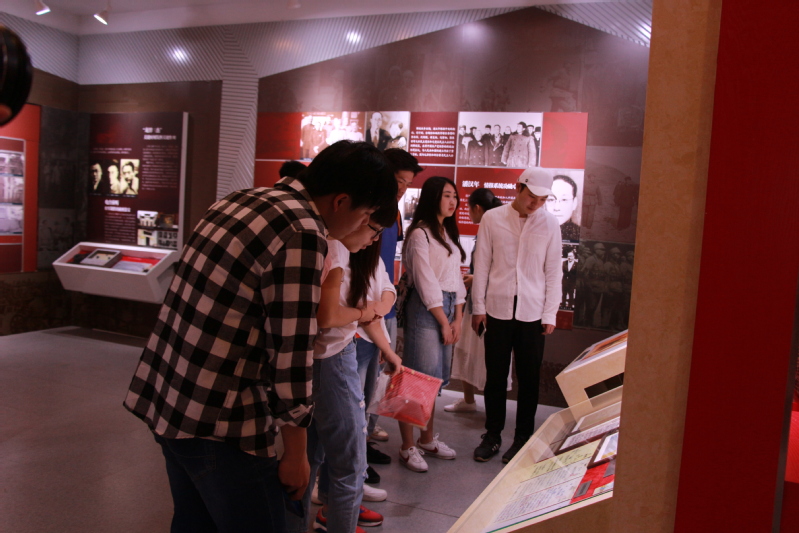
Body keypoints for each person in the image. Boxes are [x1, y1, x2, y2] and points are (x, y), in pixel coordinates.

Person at [123, 140, 398, 533]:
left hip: (170, 397)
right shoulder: (303, 231)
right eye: (367, 216)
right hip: (225, 420)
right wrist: (296, 454)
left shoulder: (242, 199)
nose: (363, 227)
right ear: (341, 201)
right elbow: (292, 351)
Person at [290, 211, 402, 533]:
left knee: (312, 456)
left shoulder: (342, 245)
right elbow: (328, 316)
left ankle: (317, 516)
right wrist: (364, 313)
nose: (375, 238)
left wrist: (377, 325)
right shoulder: (335, 245)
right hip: (332, 358)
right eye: (374, 229)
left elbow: (384, 290)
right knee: (350, 464)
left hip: (327, 356)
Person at [471, 168, 561, 464]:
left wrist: (550, 313)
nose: (536, 204)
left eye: (542, 199)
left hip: (533, 313)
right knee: (495, 376)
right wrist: (478, 307)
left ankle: (523, 438)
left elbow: (553, 271)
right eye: (531, 196)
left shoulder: (550, 224)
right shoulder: (492, 218)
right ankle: (492, 435)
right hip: (497, 309)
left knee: (529, 379)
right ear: (518, 188)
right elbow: (482, 265)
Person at [356, 148, 422, 461]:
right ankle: (354, 451)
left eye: (407, 183)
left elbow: (384, 265)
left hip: (383, 302)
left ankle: (365, 440)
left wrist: (387, 299)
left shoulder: (393, 212)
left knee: (375, 380)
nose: (402, 189)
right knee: (356, 386)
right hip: (361, 309)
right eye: (398, 181)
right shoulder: (364, 211)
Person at [399, 176, 467, 472]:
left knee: (433, 382)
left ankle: (426, 439)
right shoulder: (420, 234)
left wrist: (458, 317)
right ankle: (407, 446)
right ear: (432, 197)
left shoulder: (446, 233)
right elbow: (426, 283)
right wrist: (443, 321)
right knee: (416, 381)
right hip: (427, 310)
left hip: (448, 308)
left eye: (455, 196)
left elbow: (457, 279)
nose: (453, 201)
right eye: (446, 195)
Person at [446, 188, 503, 413]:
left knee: (481, 353)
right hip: (479, 299)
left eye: (469, 209)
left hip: (487, 303)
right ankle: (469, 400)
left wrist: (475, 278)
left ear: (477, 208)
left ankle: (485, 404)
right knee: (467, 350)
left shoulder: (492, 229)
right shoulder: (493, 228)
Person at [545, 174, 580, 242]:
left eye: (564, 200)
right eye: (551, 200)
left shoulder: (579, 233)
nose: (557, 208)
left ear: (574, 203)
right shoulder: (533, 230)